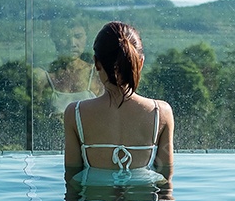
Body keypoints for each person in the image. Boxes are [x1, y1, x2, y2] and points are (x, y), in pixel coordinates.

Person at [64, 21, 174, 187]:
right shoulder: (161, 112)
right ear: (141, 62)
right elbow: (166, 181)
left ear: (97, 63)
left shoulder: (75, 113)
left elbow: (71, 179)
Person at [35, 18, 103, 116]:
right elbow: (38, 116)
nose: (72, 43)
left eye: (78, 36)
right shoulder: (45, 77)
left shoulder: (97, 74)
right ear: (55, 39)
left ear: (86, 37)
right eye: (64, 36)